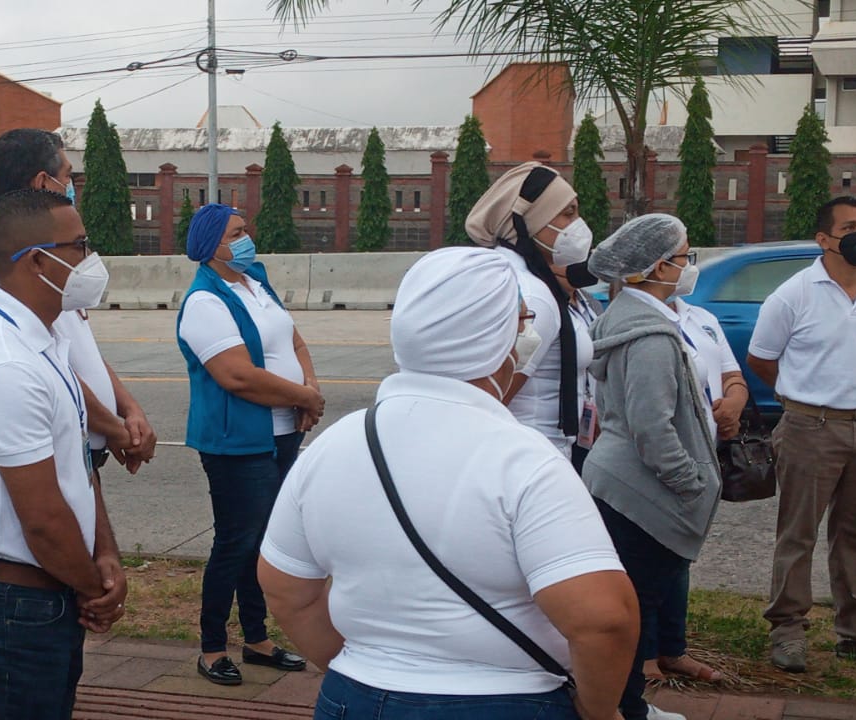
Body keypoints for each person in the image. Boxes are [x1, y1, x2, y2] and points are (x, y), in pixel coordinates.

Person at [259, 246, 637, 720]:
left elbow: (285, 588)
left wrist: (367, 670)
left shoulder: (333, 447)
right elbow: (603, 619)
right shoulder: (524, 460)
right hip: (505, 701)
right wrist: (599, 710)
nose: (530, 334)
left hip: (352, 697)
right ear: (496, 341)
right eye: (522, 321)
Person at [0, 189, 126, 718]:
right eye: (80, 246)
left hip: (50, 593)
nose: (90, 260)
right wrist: (96, 588)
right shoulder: (4, 364)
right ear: (38, 260)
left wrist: (104, 552)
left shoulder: (44, 343)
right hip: (16, 604)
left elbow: (77, 465)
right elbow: (42, 519)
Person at [0, 128, 156, 476]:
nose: (73, 186)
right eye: (68, 177)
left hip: (80, 446)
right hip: (49, 452)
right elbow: (48, 365)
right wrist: (116, 430)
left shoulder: (46, 254)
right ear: (44, 181)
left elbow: (72, 347)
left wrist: (129, 408)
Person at [177, 203, 323, 686]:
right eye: (237, 233)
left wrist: (309, 387)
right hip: (236, 441)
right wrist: (303, 396)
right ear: (212, 245)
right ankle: (213, 646)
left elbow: (293, 341)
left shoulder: (255, 282)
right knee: (236, 542)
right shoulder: (205, 301)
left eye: (245, 230)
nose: (247, 239)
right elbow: (237, 375)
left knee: (264, 541)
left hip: (282, 433)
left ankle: (257, 639)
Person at [584, 214, 722, 720]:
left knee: (634, 604)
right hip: (639, 493)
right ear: (657, 266)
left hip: (623, 484)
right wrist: (691, 482)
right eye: (684, 258)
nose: (689, 267)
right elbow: (651, 426)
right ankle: (623, 708)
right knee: (634, 609)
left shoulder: (629, 318)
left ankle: (623, 704)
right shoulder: (650, 336)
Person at [746, 195, 856, 673]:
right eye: (851, 227)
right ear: (824, 239)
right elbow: (760, 358)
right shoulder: (793, 294)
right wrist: (798, 397)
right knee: (798, 534)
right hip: (809, 428)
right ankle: (788, 629)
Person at [643, 289, 748, 684]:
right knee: (649, 555)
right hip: (665, 457)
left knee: (680, 555)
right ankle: (645, 652)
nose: (687, 264)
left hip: (706, 452)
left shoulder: (701, 317)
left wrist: (735, 401)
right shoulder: (643, 323)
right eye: (680, 256)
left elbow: (732, 374)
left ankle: (673, 648)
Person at [466, 162, 599, 460]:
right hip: (535, 455)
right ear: (532, 222)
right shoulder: (535, 298)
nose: (578, 224)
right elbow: (492, 395)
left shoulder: (510, 276)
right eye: (568, 213)